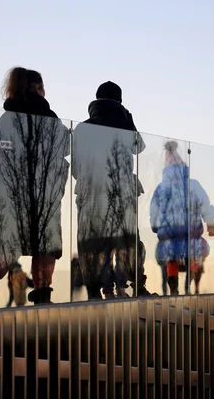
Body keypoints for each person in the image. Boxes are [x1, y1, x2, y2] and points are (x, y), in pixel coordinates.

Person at [0, 67, 70, 306]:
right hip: (45, 194)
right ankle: (43, 295)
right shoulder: (49, 117)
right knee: (45, 246)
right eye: (43, 87)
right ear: (36, 88)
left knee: (7, 244)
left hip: (13, 194)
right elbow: (66, 147)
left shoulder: (5, 120)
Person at [72, 81, 154, 299]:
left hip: (91, 196)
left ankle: (94, 290)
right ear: (119, 101)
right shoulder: (125, 127)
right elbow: (140, 147)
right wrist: (129, 119)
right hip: (121, 195)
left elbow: (76, 171)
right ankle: (137, 284)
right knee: (127, 240)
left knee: (94, 242)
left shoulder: (82, 128)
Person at [150, 141, 214, 295]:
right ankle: (192, 287)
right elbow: (205, 204)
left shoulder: (162, 188)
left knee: (171, 259)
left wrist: (155, 226)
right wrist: (210, 223)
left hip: (169, 237)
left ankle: (173, 288)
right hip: (191, 235)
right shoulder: (193, 185)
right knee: (195, 255)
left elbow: (153, 212)